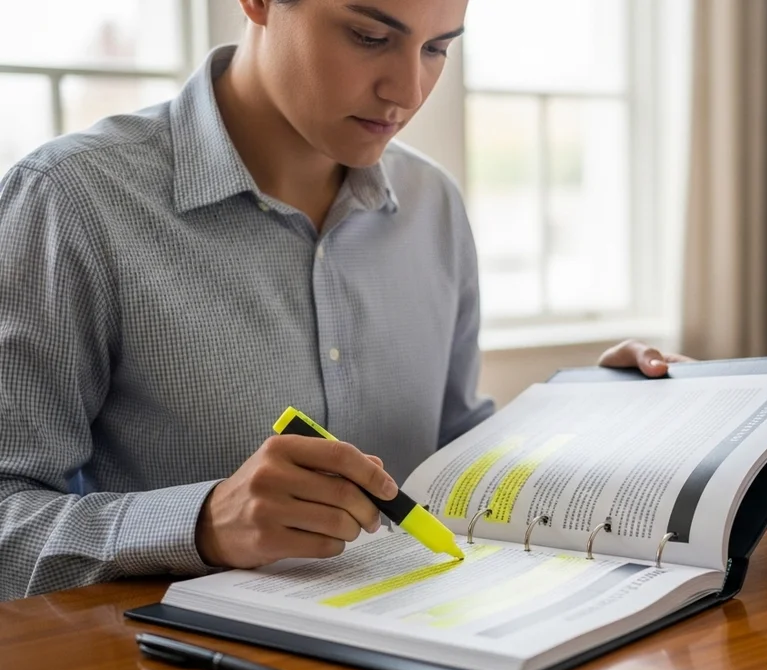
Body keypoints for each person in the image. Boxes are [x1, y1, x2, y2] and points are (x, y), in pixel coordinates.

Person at [0, 0, 689, 600]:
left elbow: (453, 455)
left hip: (427, 652)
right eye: (369, 37)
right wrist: (202, 524)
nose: (407, 90)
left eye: (437, 48)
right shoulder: (71, 200)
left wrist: (596, 423)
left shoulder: (433, 204)